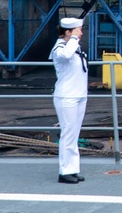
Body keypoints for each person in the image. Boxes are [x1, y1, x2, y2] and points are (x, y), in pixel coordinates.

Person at [51, 16, 89, 184]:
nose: (81, 33)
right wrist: (72, 39)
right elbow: (66, 55)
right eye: (77, 30)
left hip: (79, 95)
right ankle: (64, 171)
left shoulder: (74, 46)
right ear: (68, 32)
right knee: (67, 134)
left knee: (74, 134)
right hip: (66, 97)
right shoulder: (60, 48)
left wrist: (73, 39)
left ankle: (72, 169)